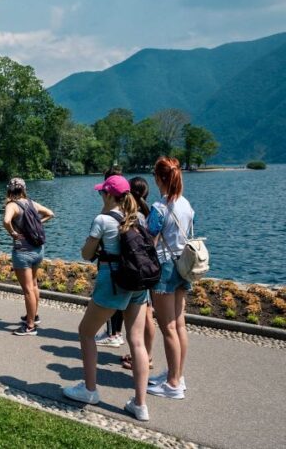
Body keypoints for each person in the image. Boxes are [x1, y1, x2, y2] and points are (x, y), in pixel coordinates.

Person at [63, 175, 151, 422]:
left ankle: (90, 390)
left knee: (86, 332)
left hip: (113, 284)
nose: (100, 195)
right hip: (139, 285)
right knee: (137, 342)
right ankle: (140, 405)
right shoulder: (140, 218)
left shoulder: (102, 219)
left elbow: (86, 253)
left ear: (110, 195)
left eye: (102, 192)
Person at [146, 157, 194, 400]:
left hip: (164, 268)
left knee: (167, 328)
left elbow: (148, 238)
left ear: (158, 178)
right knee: (179, 325)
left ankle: (172, 384)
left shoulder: (159, 207)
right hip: (183, 266)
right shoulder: (186, 204)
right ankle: (177, 374)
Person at [2, 177, 54, 336]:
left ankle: (30, 326)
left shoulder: (12, 205)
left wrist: (13, 233)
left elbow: (6, 221)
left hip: (23, 252)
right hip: (38, 251)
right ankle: (34, 316)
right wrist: (38, 224)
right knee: (34, 285)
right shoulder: (32, 203)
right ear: (24, 189)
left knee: (27, 290)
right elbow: (51, 213)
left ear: (9, 190)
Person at [121, 177, 157, 371]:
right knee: (148, 314)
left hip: (138, 270)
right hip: (151, 267)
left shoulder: (132, 215)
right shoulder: (149, 212)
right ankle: (146, 355)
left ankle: (144, 356)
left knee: (141, 319)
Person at [95, 166, 127, 348]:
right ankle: (117, 333)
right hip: (128, 264)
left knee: (109, 298)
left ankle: (111, 333)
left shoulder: (107, 213)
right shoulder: (130, 210)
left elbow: (91, 246)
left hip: (110, 263)